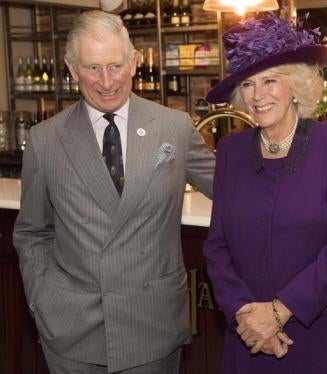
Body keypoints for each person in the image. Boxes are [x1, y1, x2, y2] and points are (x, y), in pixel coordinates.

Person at [13, 10, 215, 374]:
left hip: (151, 325)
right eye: (92, 68)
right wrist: (40, 300)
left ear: (135, 63)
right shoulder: (45, 140)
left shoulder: (174, 126)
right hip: (72, 330)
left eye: (115, 65)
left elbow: (232, 191)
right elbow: (32, 231)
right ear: (72, 69)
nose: (106, 81)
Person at [203, 13, 327, 374]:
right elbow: (216, 246)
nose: (257, 95)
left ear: (295, 85)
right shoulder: (230, 153)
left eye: (269, 81)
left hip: (323, 335)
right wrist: (245, 314)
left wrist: (278, 312)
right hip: (249, 336)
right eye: (247, 84)